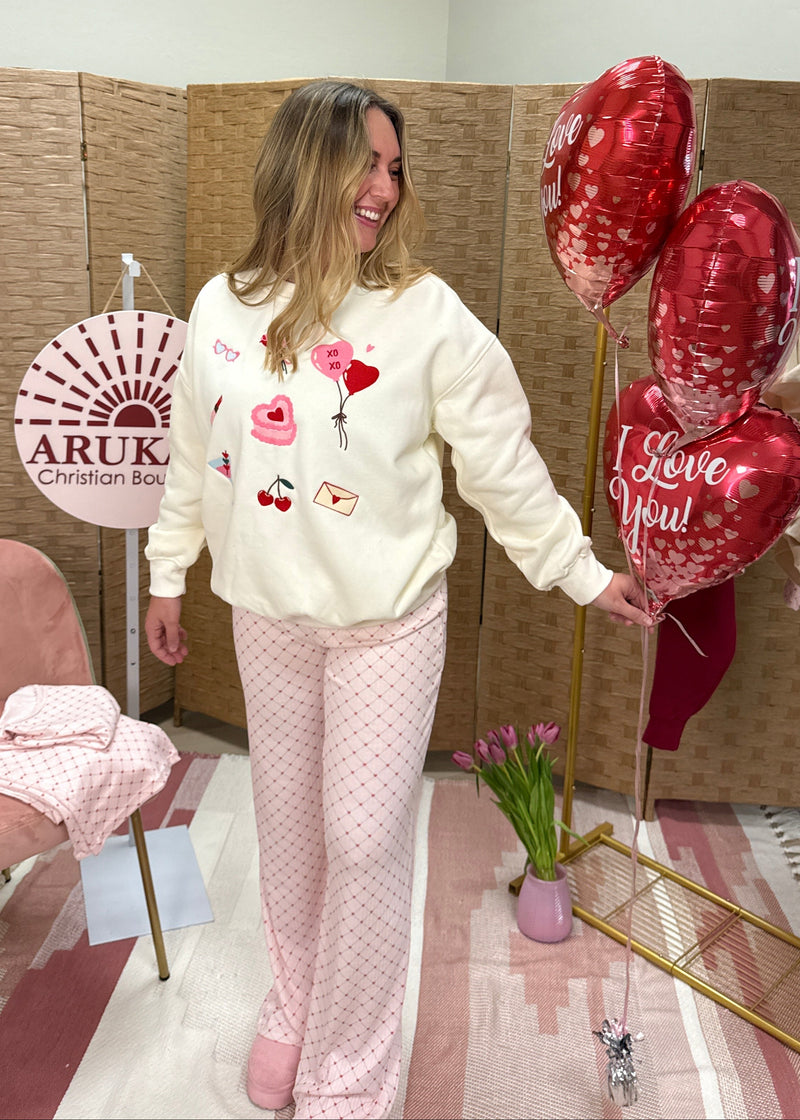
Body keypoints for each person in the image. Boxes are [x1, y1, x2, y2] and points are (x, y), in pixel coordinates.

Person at [145, 79, 651, 1120]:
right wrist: (166, 570)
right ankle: (293, 1004)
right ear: (304, 169)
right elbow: (192, 455)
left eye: (392, 166)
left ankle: (350, 1072)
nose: (383, 187)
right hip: (267, 619)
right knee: (288, 833)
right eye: (363, 164)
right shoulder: (219, 307)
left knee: (364, 841)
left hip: (386, 624)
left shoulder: (425, 316)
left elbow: (500, 466)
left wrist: (581, 570)